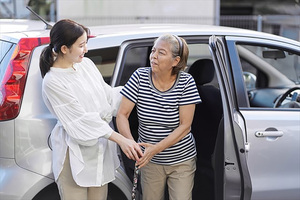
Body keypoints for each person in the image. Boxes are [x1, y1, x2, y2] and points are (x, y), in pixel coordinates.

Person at [39, 19, 143, 200]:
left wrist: (139, 89)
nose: (86, 50)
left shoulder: (86, 65)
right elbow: (81, 120)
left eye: (86, 44)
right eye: (81, 45)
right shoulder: (52, 81)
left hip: (100, 152)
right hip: (74, 156)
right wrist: (121, 140)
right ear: (64, 49)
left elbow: (108, 97)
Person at [116, 34, 201, 200]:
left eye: (161, 53)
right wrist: (131, 144)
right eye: (153, 51)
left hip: (181, 159)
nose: (153, 56)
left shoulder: (186, 82)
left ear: (175, 61)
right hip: (149, 161)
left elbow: (185, 126)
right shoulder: (140, 77)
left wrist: (155, 149)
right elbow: (122, 115)